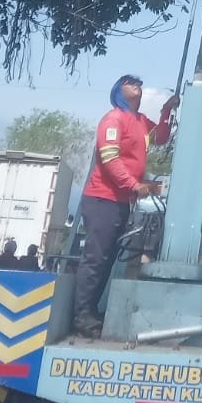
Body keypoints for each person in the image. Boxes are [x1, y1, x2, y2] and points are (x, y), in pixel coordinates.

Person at [73, 75, 177, 337]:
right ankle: (81, 314)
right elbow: (109, 157)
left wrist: (167, 111)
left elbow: (161, 138)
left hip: (120, 202)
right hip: (102, 199)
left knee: (106, 260)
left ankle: (90, 311)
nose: (138, 86)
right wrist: (132, 184)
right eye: (131, 83)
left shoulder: (140, 122)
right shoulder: (113, 119)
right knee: (96, 259)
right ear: (118, 90)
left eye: (139, 84)